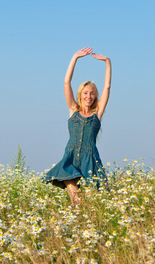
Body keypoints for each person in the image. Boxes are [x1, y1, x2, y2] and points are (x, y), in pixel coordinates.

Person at [44, 47, 112, 206]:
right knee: (76, 199)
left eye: (92, 93)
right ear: (80, 94)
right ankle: (78, 221)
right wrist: (75, 57)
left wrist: (108, 63)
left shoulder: (97, 113)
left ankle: (84, 224)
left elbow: (107, 87)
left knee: (88, 201)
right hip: (71, 157)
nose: (89, 96)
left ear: (95, 96)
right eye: (86, 93)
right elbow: (66, 82)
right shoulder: (73, 110)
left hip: (90, 158)